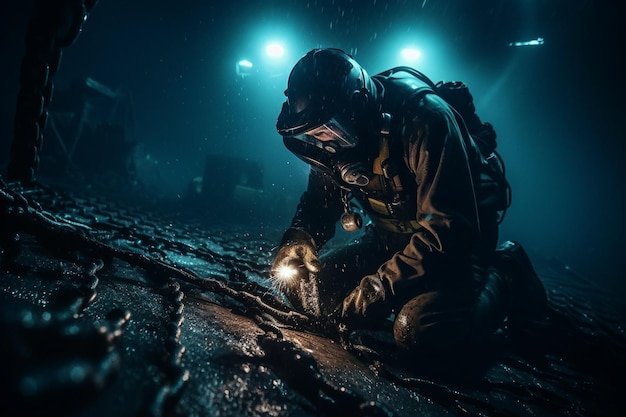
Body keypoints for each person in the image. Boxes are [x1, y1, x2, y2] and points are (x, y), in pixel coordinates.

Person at [270, 48, 547, 356]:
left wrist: (377, 291)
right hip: (389, 238)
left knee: (420, 331)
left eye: (327, 131)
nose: (324, 144)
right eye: (312, 136)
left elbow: (447, 230)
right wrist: (300, 235)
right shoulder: (330, 138)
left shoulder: (425, 120)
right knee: (305, 290)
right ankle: (410, 288)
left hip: (458, 246)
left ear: (358, 109)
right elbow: (319, 204)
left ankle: (505, 273)